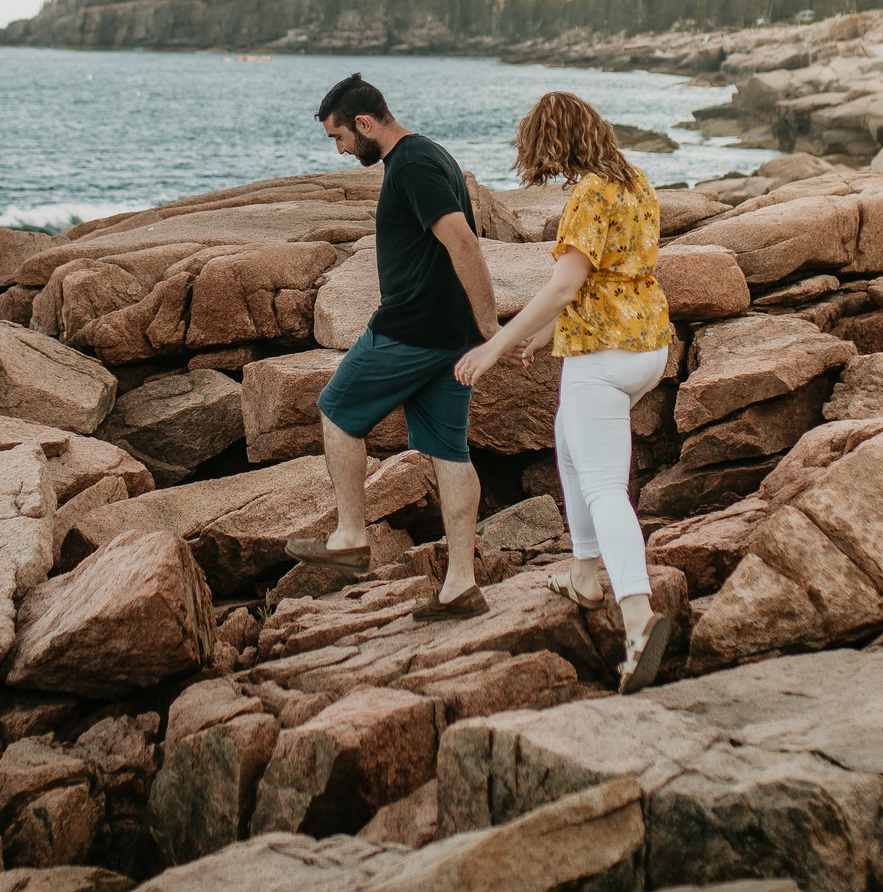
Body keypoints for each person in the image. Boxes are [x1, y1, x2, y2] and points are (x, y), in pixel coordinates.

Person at [454, 91, 674, 691]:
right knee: (568, 443)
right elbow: (607, 280)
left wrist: (495, 345)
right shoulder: (635, 181)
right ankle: (583, 573)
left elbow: (563, 285)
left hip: (602, 359)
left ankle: (637, 615)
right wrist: (543, 337)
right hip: (647, 347)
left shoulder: (590, 194)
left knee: (604, 485)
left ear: (553, 142)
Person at [288, 73, 498, 618]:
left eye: (339, 138)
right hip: (447, 336)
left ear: (364, 123)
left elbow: (464, 243)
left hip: (410, 329)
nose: (339, 150)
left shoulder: (412, 164)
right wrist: (473, 330)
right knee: (450, 452)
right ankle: (460, 586)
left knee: (336, 411)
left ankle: (351, 536)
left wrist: (492, 326)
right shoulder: (430, 155)